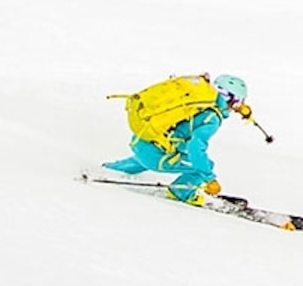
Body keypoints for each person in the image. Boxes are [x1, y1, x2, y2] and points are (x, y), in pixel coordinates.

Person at [105, 72, 267, 203]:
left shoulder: (197, 100)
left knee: (152, 152)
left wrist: (241, 110)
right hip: (157, 157)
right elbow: (195, 147)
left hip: (141, 140)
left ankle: (111, 169)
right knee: (202, 167)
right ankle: (180, 192)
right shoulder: (211, 118)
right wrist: (209, 178)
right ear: (233, 101)